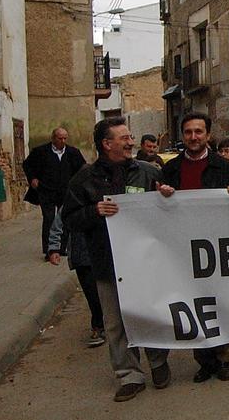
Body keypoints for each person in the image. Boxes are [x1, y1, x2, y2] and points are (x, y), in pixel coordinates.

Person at [61, 117, 167, 402]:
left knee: (150, 314)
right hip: (108, 264)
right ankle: (129, 376)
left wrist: (166, 196)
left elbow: (171, 208)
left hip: (145, 262)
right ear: (107, 144)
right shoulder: (84, 179)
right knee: (116, 323)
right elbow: (69, 219)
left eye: (131, 137)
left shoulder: (148, 173)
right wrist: (94, 211)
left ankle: (158, 362)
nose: (131, 142)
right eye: (125, 138)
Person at [158, 113, 229, 383]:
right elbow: (156, 207)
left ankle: (224, 358)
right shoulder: (170, 169)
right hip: (183, 248)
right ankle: (204, 361)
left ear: (208, 135)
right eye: (188, 132)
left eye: (198, 131)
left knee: (219, 303)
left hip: (217, 247)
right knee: (194, 304)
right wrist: (162, 195)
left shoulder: (225, 167)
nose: (193, 137)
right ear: (182, 136)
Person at [22, 127, 86, 259]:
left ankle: (62, 248)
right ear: (53, 138)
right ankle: (49, 250)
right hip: (46, 191)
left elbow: (82, 169)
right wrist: (32, 178)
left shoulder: (73, 153)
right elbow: (27, 165)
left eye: (64, 138)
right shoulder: (41, 152)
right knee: (49, 219)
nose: (62, 141)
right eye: (59, 138)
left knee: (65, 218)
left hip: (66, 192)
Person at [47, 211, 104, 348]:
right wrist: (54, 248)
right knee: (92, 294)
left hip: (105, 251)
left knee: (108, 293)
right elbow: (61, 219)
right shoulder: (75, 194)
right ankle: (98, 326)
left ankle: (114, 325)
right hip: (82, 255)